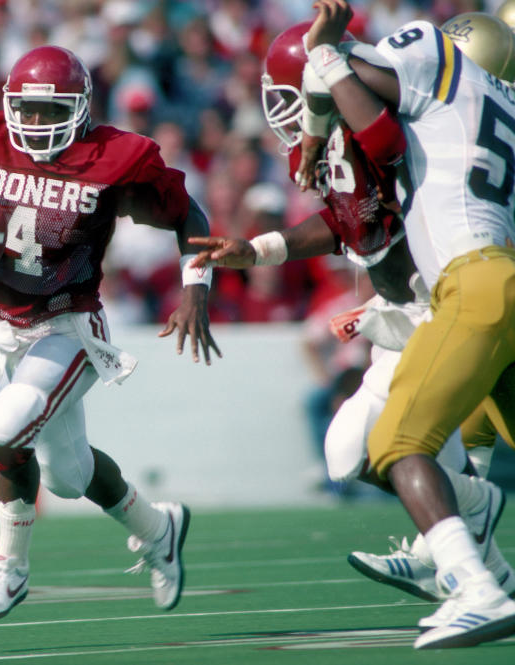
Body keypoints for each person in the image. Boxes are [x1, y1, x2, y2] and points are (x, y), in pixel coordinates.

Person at [189, 16, 515, 610]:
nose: (287, 110)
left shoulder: (410, 124)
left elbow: (389, 199)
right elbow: (359, 223)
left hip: (451, 302)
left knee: (405, 443)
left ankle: (467, 570)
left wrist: (331, 72)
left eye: (297, 92)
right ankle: (471, 543)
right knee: (355, 453)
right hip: (441, 297)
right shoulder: (401, 124)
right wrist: (263, 249)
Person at [0, 45, 219, 621]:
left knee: (2, 427)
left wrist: (195, 287)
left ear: (82, 109)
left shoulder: (116, 156)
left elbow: (186, 213)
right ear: (8, 104)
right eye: (28, 109)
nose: (38, 122)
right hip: (5, 328)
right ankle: (159, 528)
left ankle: (9, 568)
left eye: (53, 111)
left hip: (69, 322)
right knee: (70, 478)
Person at [300, 0, 515, 649]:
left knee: (395, 441)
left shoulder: (434, 55)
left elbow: (373, 121)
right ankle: (478, 561)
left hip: (472, 284)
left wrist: (325, 53)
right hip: (498, 277)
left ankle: (475, 586)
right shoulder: (500, 112)